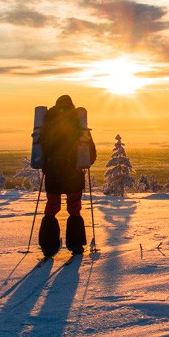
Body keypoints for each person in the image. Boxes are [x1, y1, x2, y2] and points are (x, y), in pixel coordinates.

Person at [38, 94, 97, 257]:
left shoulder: (47, 123)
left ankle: (48, 246)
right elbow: (90, 153)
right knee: (74, 207)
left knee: (52, 206)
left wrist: (45, 165)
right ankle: (76, 245)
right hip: (73, 172)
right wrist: (85, 163)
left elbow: (40, 145)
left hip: (52, 171)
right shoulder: (79, 123)